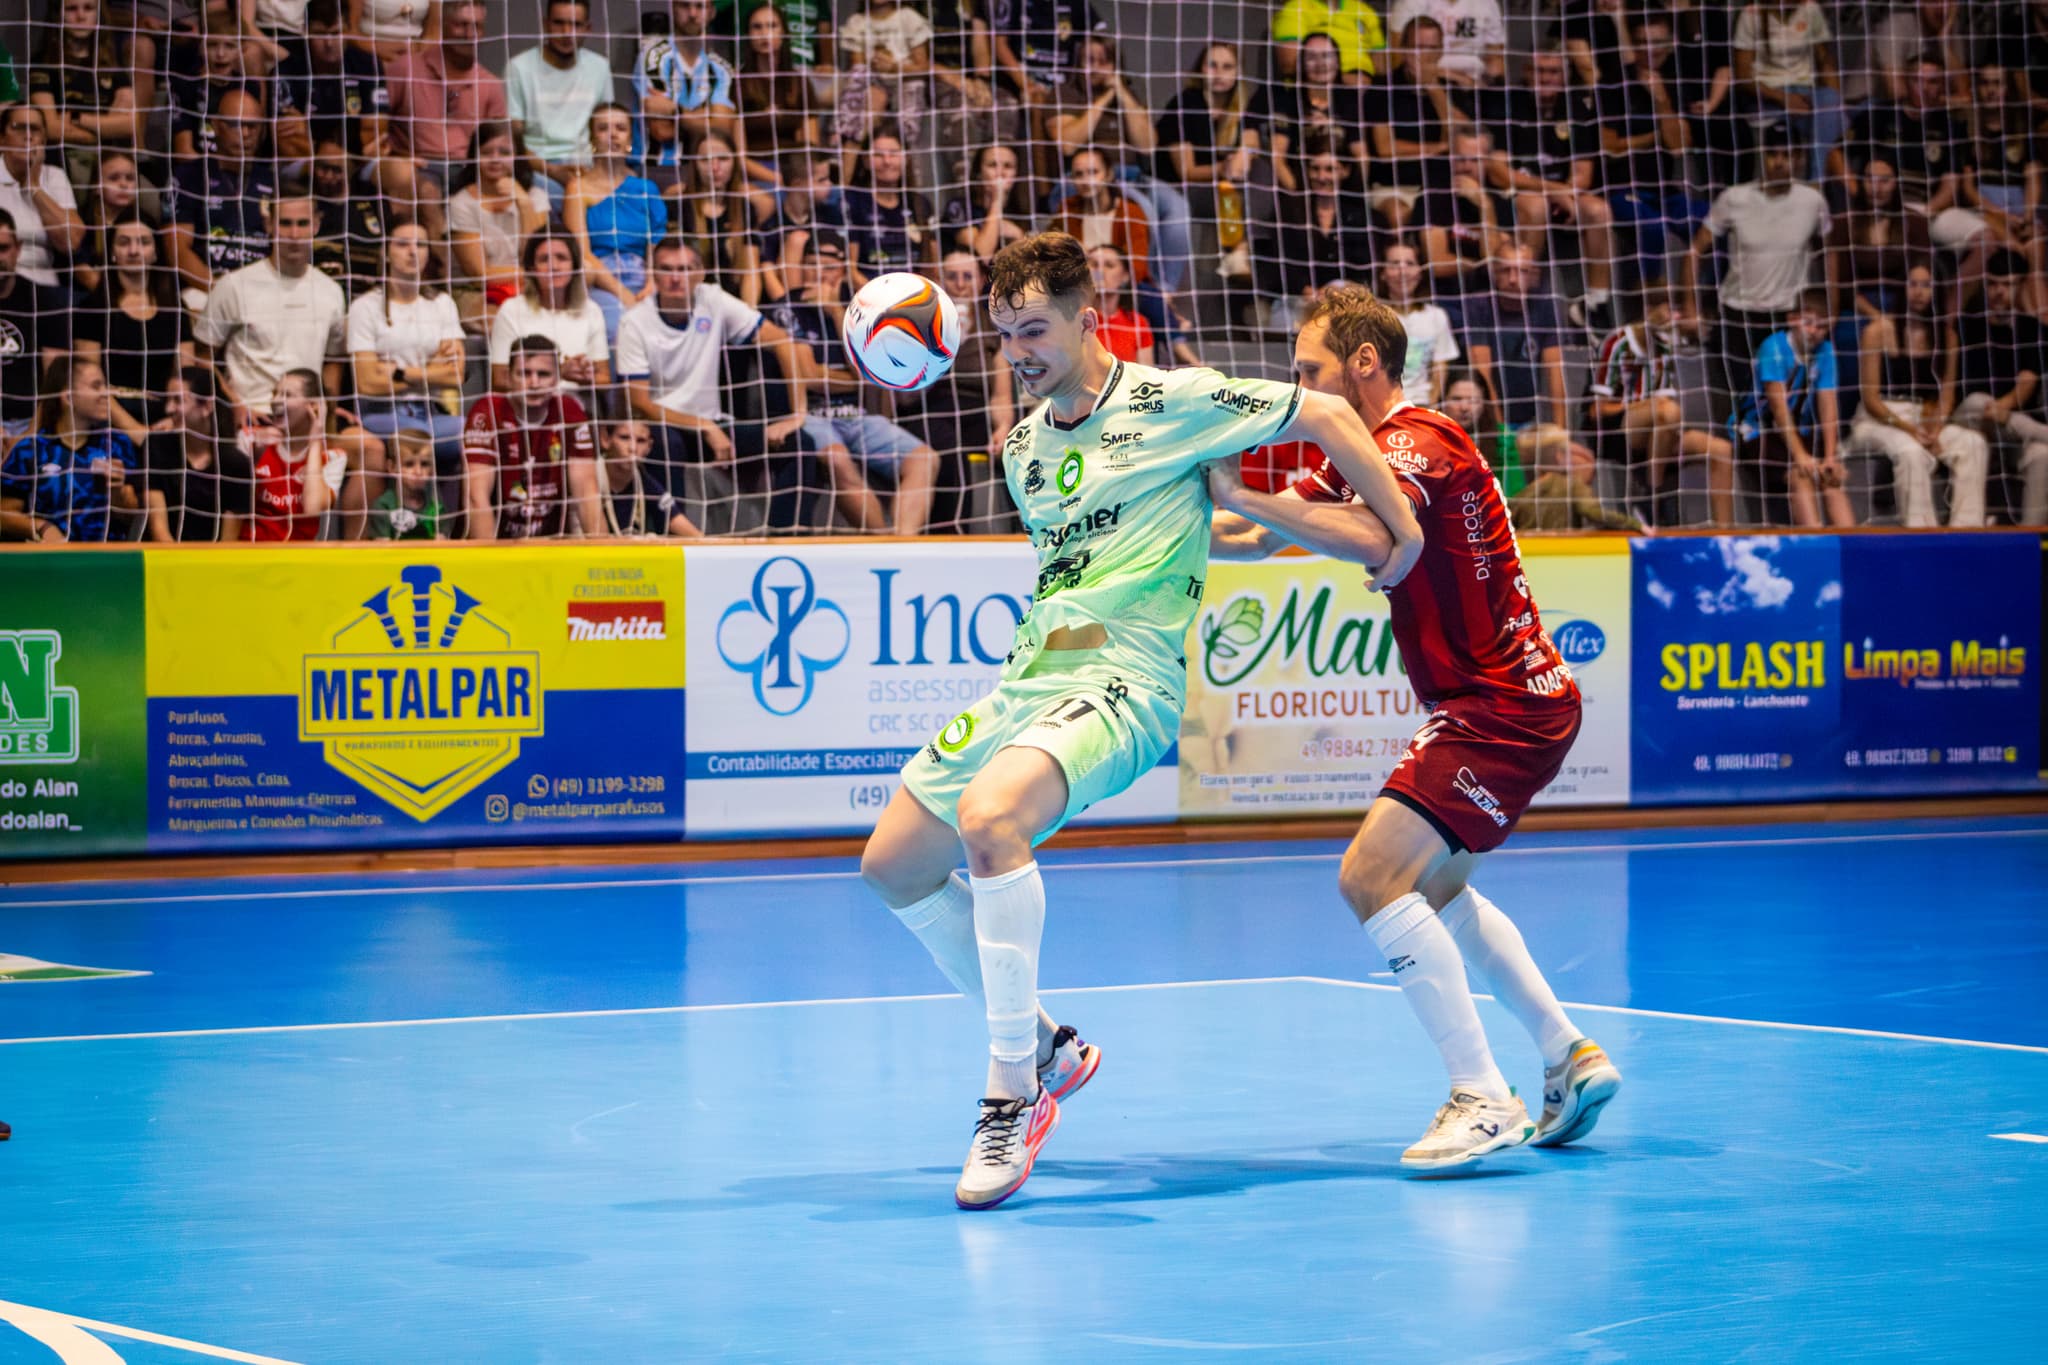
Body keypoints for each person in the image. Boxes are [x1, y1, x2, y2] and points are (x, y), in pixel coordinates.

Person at [858, 232, 1424, 1210]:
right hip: (1031, 677)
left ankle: (1011, 1092)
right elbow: (1115, 547)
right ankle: (1048, 1045)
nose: (1019, 352)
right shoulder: (1022, 450)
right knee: (893, 865)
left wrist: (1400, 533)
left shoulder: (1173, 401)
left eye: (1036, 331)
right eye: (1004, 336)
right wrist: (1217, 523)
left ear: (1088, 319)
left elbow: (1330, 413)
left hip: (1126, 678)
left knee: (991, 822)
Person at [1208, 283, 1621, 1170]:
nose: (1300, 389)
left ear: (1365, 362)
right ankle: (1568, 1053)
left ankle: (1482, 1096)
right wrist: (1147, 521)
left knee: (1370, 875)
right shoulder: (1355, 453)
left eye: (1310, 371)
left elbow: (1371, 537)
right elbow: (1250, 537)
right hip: (1504, 703)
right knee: (1434, 891)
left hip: (1499, 707)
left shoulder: (1416, 441)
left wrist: (1245, 490)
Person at [192, 189, 383, 536]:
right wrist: (233, 403)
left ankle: (354, 551)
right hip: (253, 418)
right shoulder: (234, 286)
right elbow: (202, 357)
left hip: (306, 420)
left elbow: (334, 361)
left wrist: (326, 408)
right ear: (269, 225)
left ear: (316, 225)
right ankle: (233, 550)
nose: (294, 234)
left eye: (302, 224)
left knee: (371, 449)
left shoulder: (330, 291)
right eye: (285, 224)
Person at [619, 236, 814, 533]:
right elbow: (640, 403)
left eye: (685, 269)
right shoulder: (634, 322)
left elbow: (783, 342)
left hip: (714, 425)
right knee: (666, 443)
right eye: (666, 269)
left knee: (799, 444)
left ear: (700, 272)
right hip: (665, 426)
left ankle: (784, 539)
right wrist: (704, 427)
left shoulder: (712, 299)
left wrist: (798, 413)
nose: (675, 278)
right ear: (653, 273)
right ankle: (674, 540)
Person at [771, 237, 941, 532]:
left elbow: (871, 372)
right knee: (837, 459)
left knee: (925, 459)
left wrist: (837, 313)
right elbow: (809, 377)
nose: (819, 273)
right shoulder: (785, 308)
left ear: (841, 271)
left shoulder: (860, 312)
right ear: (801, 267)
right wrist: (858, 378)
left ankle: (903, 542)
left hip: (858, 416)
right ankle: (882, 544)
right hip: (809, 416)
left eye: (829, 266)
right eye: (812, 264)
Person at [1685, 129, 1833, 425]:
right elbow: (1695, 250)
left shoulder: (1812, 201)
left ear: (1800, 158)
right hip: (1738, 316)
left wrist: (1833, 305)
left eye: (1787, 155)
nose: (1779, 162)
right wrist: (1690, 308)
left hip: (1787, 318)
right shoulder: (1734, 198)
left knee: (1786, 409)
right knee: (1740, 408)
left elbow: (1831, 253)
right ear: (1761, 156)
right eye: (1772, 154)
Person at [1844, 263, 1988, 527]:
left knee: (1972, 443)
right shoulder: (1877, 331)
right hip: (1879, 419)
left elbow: (1947, 395)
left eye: (1926, 285)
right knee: (1911, 451)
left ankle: (1966, 529)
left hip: (1925, 417)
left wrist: (1935, 429)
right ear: (1902, 288)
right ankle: (1921, 532)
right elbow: (1871, 399)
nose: (1919, 292)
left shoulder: (1947, 336)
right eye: (1913, 284)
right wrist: (1911, 430)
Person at [1484, 45, 1613, 332]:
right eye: (1539, 71)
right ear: (1526, 73)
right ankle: (1526, 298)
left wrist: (1564, 192)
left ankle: (1595, 304)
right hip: (1515, 193)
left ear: (1564, 76)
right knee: (1536, 205)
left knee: (1599, 211)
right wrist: (1553, 190)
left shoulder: (1575, 107)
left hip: (1563, 193)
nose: (1546, 78)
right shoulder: (1508, 103)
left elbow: (1583, 174)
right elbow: (1499, 173)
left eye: (1553, 72)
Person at [1583, 289, 1735, 526]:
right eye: (1668, 310)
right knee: (1666, 410)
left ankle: (1725, 532)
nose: (1674, 317)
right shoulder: (1617, 343)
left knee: (1721, 449)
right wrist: (1642, 406)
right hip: (1616, 432)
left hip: (1658, 432)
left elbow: (1666, 405)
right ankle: (1652, 494)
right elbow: (1596, 411)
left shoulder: (1663, 347)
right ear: (1648, 311)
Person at [377, 0, 508, 252]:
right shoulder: (405, 69)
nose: (469, 34)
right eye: (461, 25)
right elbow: (376, 126)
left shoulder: (490, 83)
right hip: (420, 166)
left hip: (469, 170)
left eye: (477, 26)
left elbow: (499, 142)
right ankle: (441, 267)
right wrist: (398, 156)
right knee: (426, 192)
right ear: (444, 26)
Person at [348, 219, 468, 468]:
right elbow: (367, 382)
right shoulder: (365, 307)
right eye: (403, 244)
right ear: (386, 252)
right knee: (416, 437)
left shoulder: (442, 304)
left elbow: (455, 374)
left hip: (433, 411)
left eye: (420, 245)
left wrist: (399, 372)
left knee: (477, 435)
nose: (413, 252)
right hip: (382, 413)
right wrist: (432, 370)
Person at [1731, 289, 1854, 528]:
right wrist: (1800, 456)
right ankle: (1814, 539)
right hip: (1760, 431)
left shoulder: (1826, 351)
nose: (1814, 332)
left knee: (1831, 478)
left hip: (1800, 430)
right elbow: (1778, 410)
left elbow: (1828, 405)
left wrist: (1830, 456)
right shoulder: (1774, 349)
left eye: (1822, 326)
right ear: (1792, 319)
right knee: (1801, 474)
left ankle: (1853, 541)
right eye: (1808, 323)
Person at [74, 208, 194, 445]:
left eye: (143, 242)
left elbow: (186, 376)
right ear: (112, 251)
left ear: (156, 252)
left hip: (165, 415)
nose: (134, 250)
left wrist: (174, 419)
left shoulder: (174, 306)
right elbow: (89, 383)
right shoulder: (93, 307)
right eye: (124, 242)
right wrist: (136, 431)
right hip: (107, 418)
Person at [462, 335, 600, 540]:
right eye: (524, 373)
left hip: (551, 543)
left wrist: (603, 551)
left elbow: (587, 492)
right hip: (497, 542)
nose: (534, 383)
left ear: (557, 378)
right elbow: (476, 498)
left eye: (543, 374)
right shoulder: (487, 412)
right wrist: (492, 557)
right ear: (508, 377)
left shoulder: (569, 411)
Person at [0, 356, 142, 543]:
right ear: (68, 397)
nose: (106, 394)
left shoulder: (116, 443)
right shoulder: (30, 450)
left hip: (107, 554)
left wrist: (117, 492)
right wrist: (42, 527)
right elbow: (4, 515)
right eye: (96, 386)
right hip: (50, 555)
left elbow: (132, 517)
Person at [163, 86, 281, 304]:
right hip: (205, 289)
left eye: (252, 126)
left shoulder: (273, 181)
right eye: (235, 125)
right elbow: (176, 250)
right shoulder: (188, 177)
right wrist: (220, 292)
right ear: (216, 125)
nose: (245, 134)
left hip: (262, 292)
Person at [1955, 252, 2048, 524]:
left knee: (2042, 455)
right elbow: (1963, 389)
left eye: (2007, 285)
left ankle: (2031, 538)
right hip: (1971, 418)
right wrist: (1997, 411)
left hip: (2010, 426)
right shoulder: (1967, 326)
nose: (1998, 292)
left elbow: (2028, 380)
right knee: (1977, 400)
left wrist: (2004, 409)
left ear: (2020, 286)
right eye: (1993, 283)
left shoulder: (2033, 330)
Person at [566, 104, 670, 346]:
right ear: (592, 139)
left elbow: (656, 245)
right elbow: (582, 253)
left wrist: (652, 283)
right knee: (620, 331)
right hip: (600, 279)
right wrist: (624, 295)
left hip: (645, 276)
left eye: (620, 129)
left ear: (630, 140)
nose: (612, 135)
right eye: (603, 128)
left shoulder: (647, 188)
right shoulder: (577, 188)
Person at [505, 0, 616, 205]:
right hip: (538, 167)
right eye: (559, 23)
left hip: (587, 165)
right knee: (552, 199)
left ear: (588, 28)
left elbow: (607, 128)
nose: (567, 33)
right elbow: (513, 142)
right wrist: (553, 170)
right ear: (545, 24)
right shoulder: (519, 68)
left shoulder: (599, 67)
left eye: (575, 24)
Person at [448, 121, 551, 333]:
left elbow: (536, 256)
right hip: (478, 292)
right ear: (475, 156)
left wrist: (524, 204)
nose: (495, 159)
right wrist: (535, 273)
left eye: (504, 152)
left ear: (518, 156)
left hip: (529, 285)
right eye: (487, 152)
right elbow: (480, 274)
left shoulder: (535, 197)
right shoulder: (461, 203)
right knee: (503, 320)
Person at [489, 229, 612, 401]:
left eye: (562, 258)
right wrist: (559, 372)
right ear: (532, 268)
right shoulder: (511, 310)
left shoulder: (591, 310)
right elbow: (499, 380)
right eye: (544, 259)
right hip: (525, 408)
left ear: (575, 266)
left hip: (577, 407)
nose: (553, 267)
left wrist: (584, 375)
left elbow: (604, 380)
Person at [1730, 0, 1845, 183]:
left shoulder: (1810, 9)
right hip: (1766, 96)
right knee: (1833, 125)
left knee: (1832, 103)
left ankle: (1815, 181)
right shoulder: (1750, 14)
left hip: (1806, 95)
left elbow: (1826, 63)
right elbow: (1743, 76)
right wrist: (1784, 98)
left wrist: (1838, 105)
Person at [1463, 240, 1570, 434]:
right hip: (1484, 420)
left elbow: (1555, 371)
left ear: (1535, 275)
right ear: (1493, 273)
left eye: (1522, 271)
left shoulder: (1545, 307)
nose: (1513, 279)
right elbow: (1483, 375)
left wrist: (1561, 432)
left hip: (1528, 418)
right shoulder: (1477, 306)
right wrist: (1501, 433)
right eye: (1506, 270)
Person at [144, 365, 250, 543]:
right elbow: (159, 530)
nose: (169, 409)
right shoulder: (157, 447)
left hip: (212, 557)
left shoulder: (236, 464)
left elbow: (227, 542)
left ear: (207, 406)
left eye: (178, 400)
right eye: (168, 400)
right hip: (164, 555)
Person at [635, 0, 738, 176]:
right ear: (672, 8)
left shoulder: (722, 68)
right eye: (685, 5)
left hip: (708, 171)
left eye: (700, 6)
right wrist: (706, 117)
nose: (692, 14)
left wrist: (675, 111)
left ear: (712, 12)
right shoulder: (652, 58)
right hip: (658, 168)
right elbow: (661, 130)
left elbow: (723, 128)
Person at [243, 367, 347, 541]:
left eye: (287, 395)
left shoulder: (333, 457)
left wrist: (315, 442)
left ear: (314, 406)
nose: (275, 401)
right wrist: (254, 455)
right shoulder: (253, 440)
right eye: (275, 394)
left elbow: (312, 507)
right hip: (251, 548)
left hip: (298, 552)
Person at [0, 212, 68, 448]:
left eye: (3, 248)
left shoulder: (44, 301)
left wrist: (27, 436)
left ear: (18, 248)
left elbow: (55, 380)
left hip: (35, 421)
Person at [0, 105, 85, 292]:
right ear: (2, 138)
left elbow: (71, 242)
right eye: (19, 127)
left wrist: (33, 187)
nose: (28, 136)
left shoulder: (54, 176)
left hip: (43, 285)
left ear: (44, 140)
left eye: (35, 129)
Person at [587, 416, 702, 536]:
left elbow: (680, 523)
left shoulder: (646, 482)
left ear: (649, 447)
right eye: (624, 438)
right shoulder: (589, 477)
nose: (633, 448)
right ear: (605, 439)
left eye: (641, 441)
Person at [1380, 239, 1457, 408]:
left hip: (1421, 404)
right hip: (1382, 404)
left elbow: (1440, 367)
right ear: (1382, 273)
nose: (1402, 271)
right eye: (1394, 264)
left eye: (1410, 263)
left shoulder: (1436, 316)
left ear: (1420, 272)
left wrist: (1430, 406)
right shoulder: (1372, 316)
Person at [369, 426, 447, 539]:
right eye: (409, 464)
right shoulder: (384, 507)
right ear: (392, 467)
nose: (418, 472)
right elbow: (382, 547)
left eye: (424, 464)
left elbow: (443, 545)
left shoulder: (435, 507)